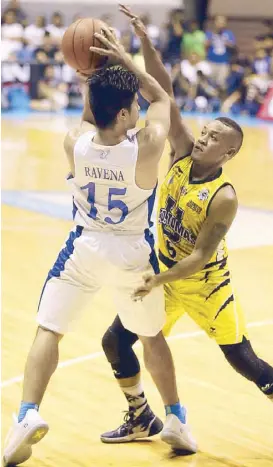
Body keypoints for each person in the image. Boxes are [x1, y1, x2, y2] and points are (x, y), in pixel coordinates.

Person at [3, 25, 196, 467]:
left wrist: (96, 76)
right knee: (150, 337)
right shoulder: (146, 147)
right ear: (127, 115)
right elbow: (162, 98)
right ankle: (175, 418)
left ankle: (26, 415)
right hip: (133, 256)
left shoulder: (76, 142)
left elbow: (95, 113)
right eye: (131, 106)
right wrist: (124, 59)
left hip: (84, 250)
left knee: (49, 329)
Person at [100, 5, 273, 446]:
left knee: (245, 362)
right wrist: (137, 45)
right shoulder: (180, 151)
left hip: (205, 287)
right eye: (206, 131)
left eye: (215, 138)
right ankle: (143, 419)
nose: (203, 138)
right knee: (115, 342)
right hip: (165, 277)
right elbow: (164, 93)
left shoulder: (224, 197)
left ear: (229, 154)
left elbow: (198, 259)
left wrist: (153, 278)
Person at [205, 15, 236, 88]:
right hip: (211, 61)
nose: (220, 24)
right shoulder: (210, 33)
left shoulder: (229, 33)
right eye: (218, 21)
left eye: (222, 22)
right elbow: (205, 45)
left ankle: (221, 98)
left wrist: (226, 42)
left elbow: (233, 46)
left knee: (221, 83)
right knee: (210, 82)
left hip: (223, 63)